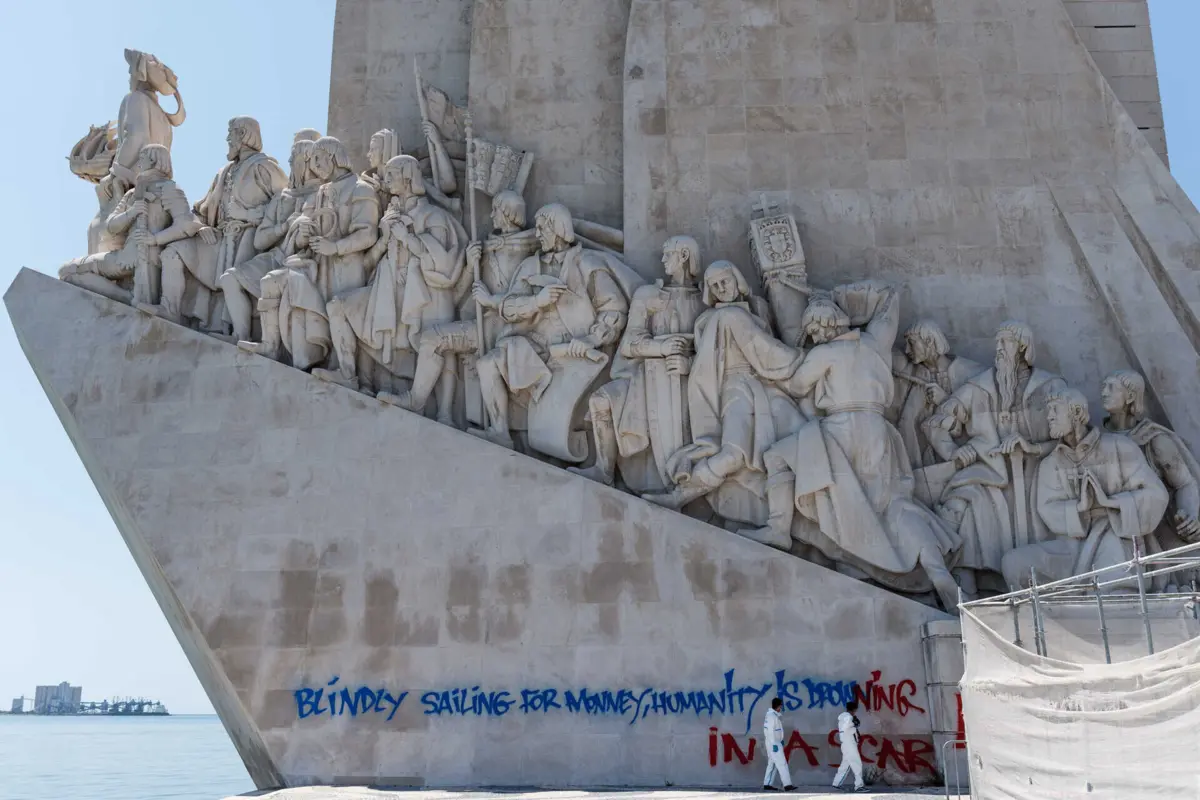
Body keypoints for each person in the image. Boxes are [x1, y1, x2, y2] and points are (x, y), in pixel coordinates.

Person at [1000, 388, 1168, 589]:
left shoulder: (1119, 447)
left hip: (1115, 536)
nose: (1049, 416)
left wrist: (1110, 503)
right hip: (1072, 547)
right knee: (1014, 564)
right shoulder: (1051, 463)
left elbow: (1156, 494)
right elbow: (1047, 508)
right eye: (1048, 411)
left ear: (1077, 413)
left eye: (1055, 410)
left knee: (1114, 583)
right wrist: (1080, 507)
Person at [762, 698, 796, 792]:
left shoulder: (772, 715)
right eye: (780, 705)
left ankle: (767, 783)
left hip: (774, 742)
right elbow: (769, 731)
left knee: (772, 764)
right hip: (774, 744)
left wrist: (780, 740)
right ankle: (787, 785)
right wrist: (774, 743)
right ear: (777, 706)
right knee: (782, 763)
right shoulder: (771, 716)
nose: (781, 707)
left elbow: (775, 730)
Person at [832, 701, 866, 792]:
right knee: (857, 764)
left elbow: (846, 728)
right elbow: (845, 727)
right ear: (854, 709)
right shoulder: (848, 717)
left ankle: (836, 783)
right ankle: (859, 786)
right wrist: (854, 724)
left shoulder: (844, 717)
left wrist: (853, 724)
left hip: (846, 744)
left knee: (845, 765)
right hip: (849, 744)